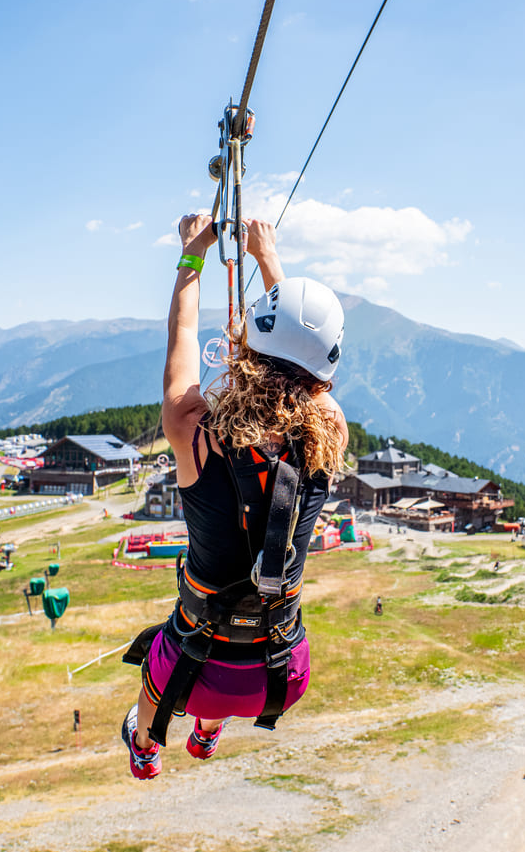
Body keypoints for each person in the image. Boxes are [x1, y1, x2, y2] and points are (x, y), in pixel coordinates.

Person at [119, 214, 348, 780]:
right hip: (281, 673)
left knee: (162, 658)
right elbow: (303, 363)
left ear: (250, 342)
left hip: (194, 671)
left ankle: (147, 744)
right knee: (212, 648)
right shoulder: (329, 432)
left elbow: (184, 339)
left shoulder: (192, 429)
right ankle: (208, 729)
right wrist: (270, 260)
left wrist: (194, 254)